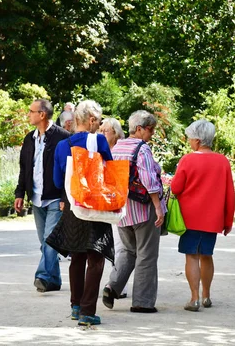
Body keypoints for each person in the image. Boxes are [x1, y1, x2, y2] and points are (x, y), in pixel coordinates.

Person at [47, 100, 114, 326]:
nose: (101, 124)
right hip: (94, 203)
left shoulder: (61, 145)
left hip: (72, 203)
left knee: (77, 255)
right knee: (96, 257)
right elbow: (109, 173)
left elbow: (57, 180)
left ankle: (76, 306)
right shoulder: (100, 141)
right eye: (100, 119)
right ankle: (87, 311)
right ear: (92, 120)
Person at [102, 111, 165, 314]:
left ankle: (112, 287)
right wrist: (158, 207)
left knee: (128, 252)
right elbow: (149, 181)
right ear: (139, 129)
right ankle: (142, 302)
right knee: (146, 255)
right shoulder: (142, 148)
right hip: (143, 210)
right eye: (150, 129)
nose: (152, 134)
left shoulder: (117, 147)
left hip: (122, 210)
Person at [170, 119, 235, 312]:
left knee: (192, 256)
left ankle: (194, 298)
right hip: (213, 218)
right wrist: (228, 220)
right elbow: (229, 192)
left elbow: (175, 188)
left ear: (197, 140)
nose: (189, 141)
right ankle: (206, 295)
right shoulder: (222, 161)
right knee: (206, 255)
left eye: (190, 138)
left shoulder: (188, 160)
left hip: (190, 217)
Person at [14, 99, 70, 292]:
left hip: (55, 197)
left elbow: (68, 170)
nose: (28, 115)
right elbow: (24, 168)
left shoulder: (63, 137)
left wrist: (65, 197)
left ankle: (43, 276)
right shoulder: (29, 139)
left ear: (42, 115)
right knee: (44, 241)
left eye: (31, 111)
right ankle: (54, 280)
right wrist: (20, 193)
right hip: (36, 197)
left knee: (49, 239)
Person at [99, 118, 127, 298]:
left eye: (106, 131)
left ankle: (118, 285)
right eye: (100, 130)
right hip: (100, 204)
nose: (101, 134)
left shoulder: (119, 152)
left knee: (118, 246)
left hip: (117, 204)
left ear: (115, 134)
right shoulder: (98, 151)